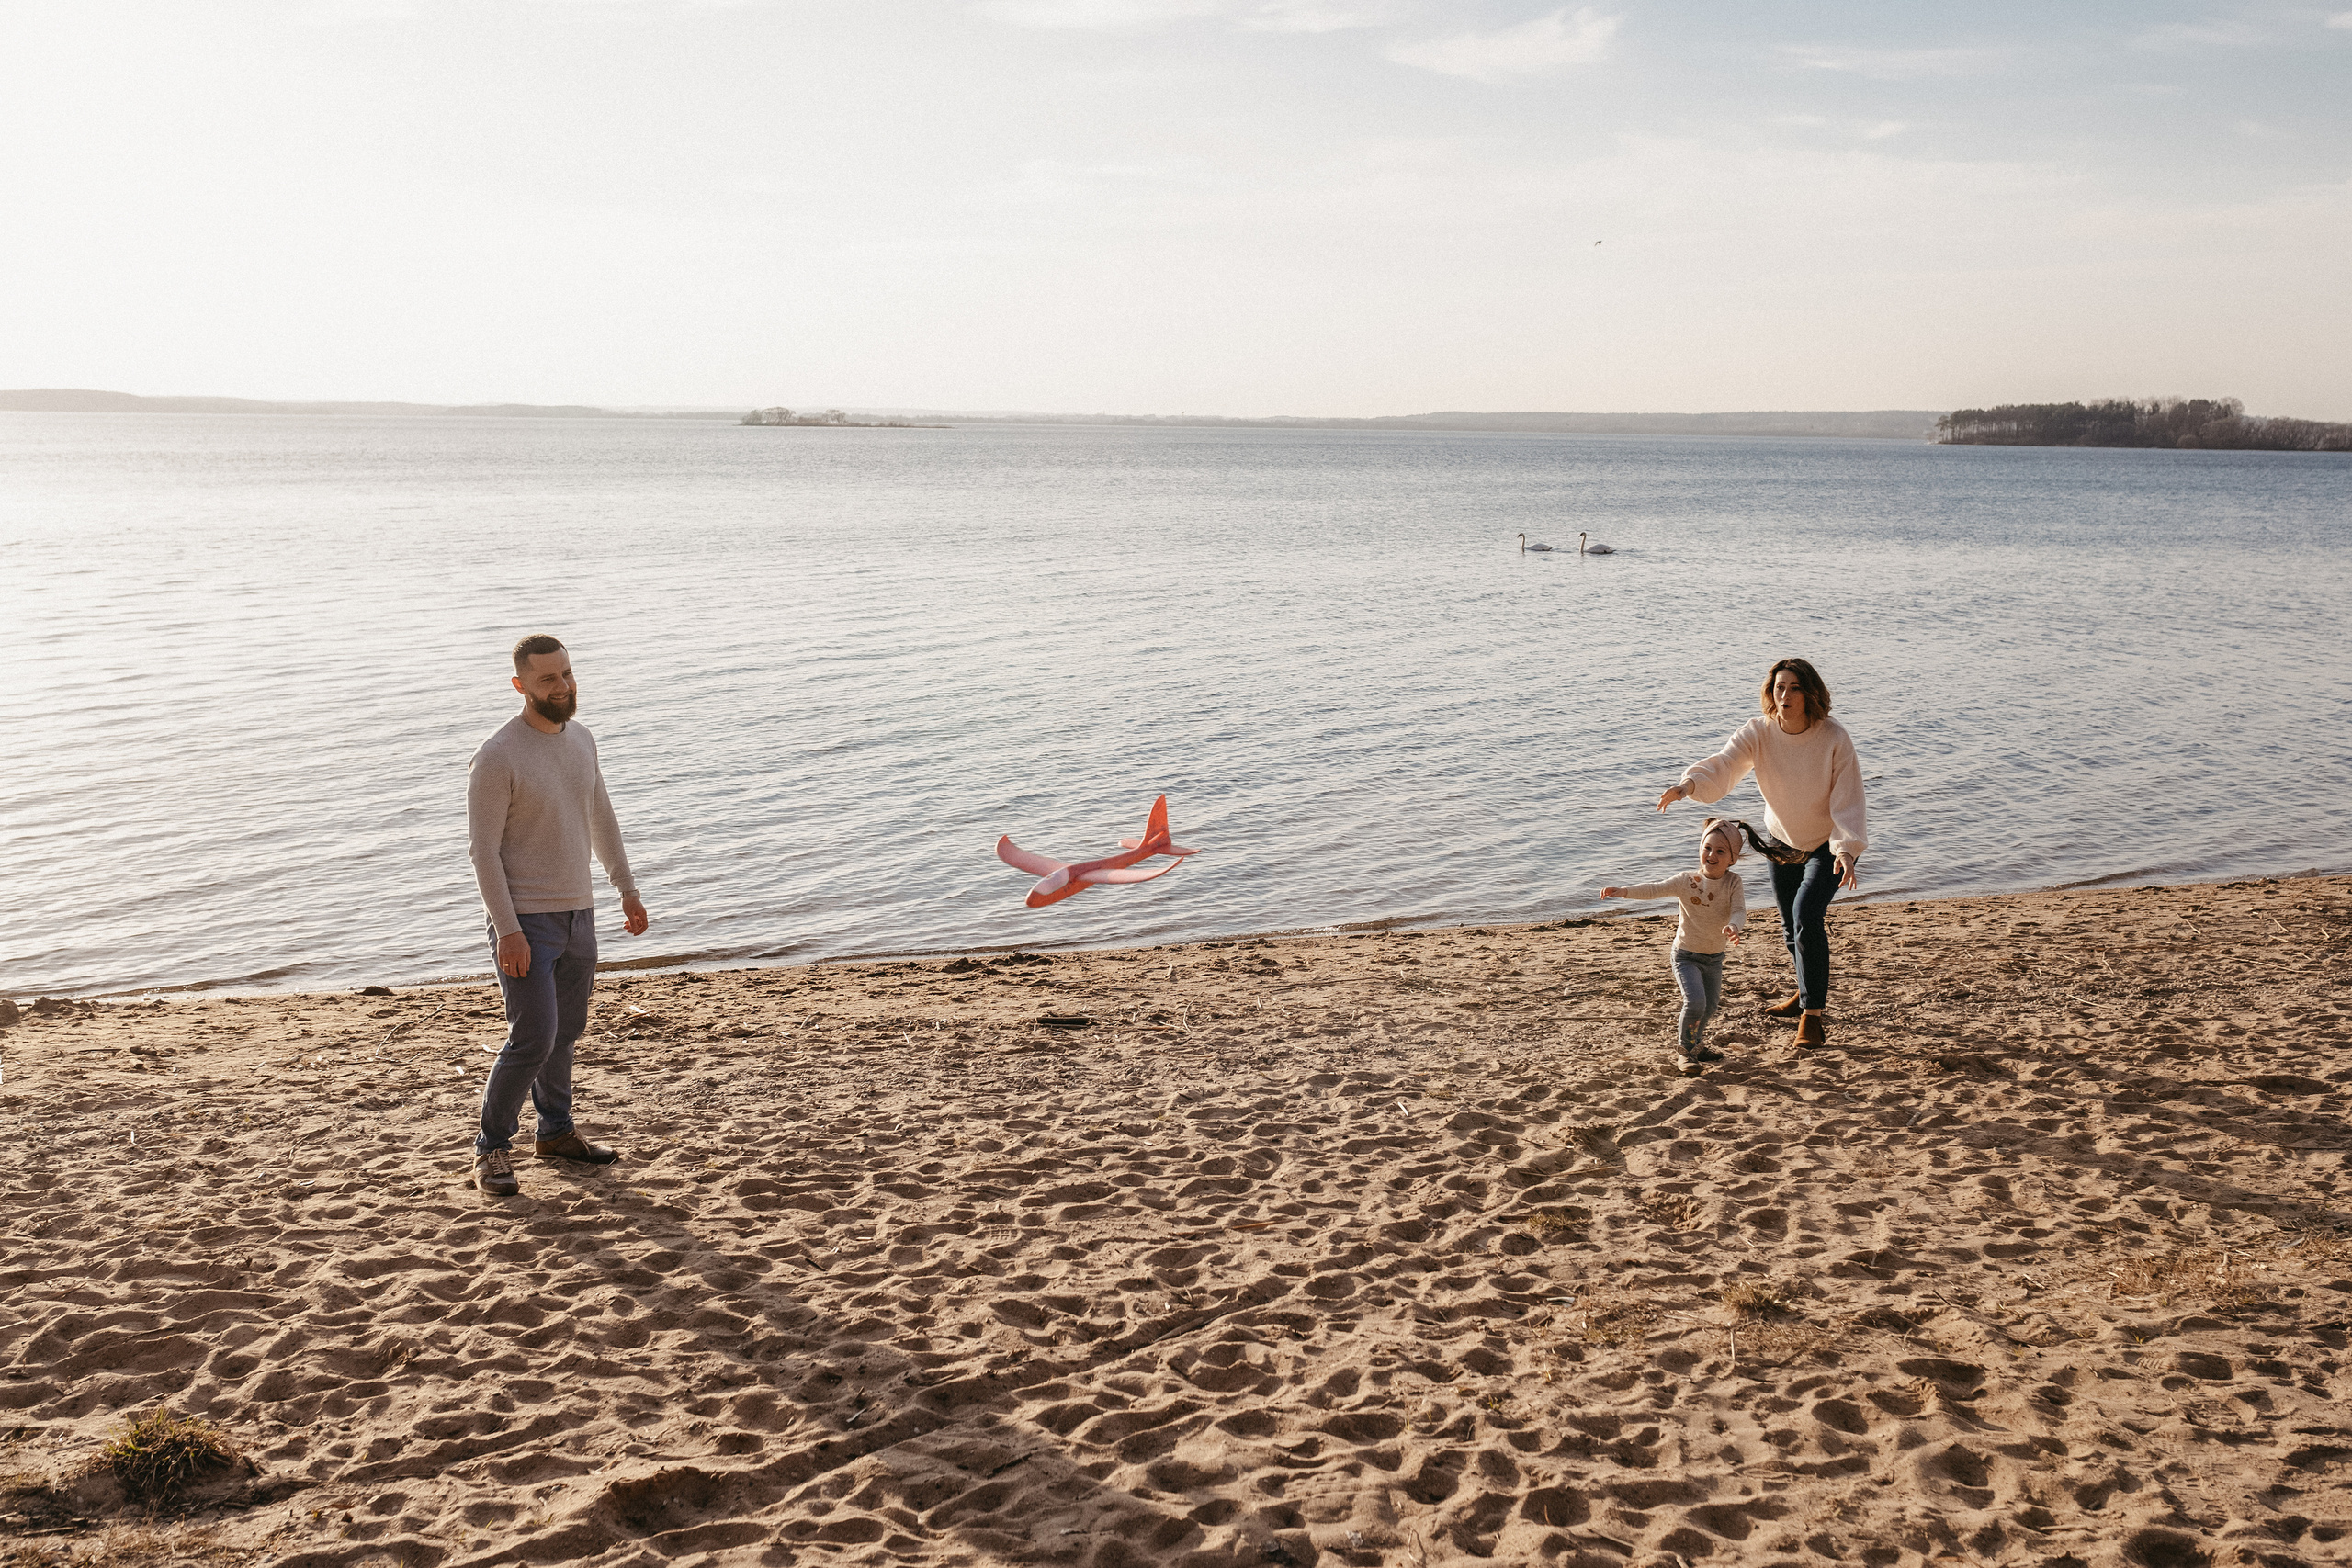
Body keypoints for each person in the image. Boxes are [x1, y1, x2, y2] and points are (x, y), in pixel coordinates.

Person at [465, 634, 650, 1197]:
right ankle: (491, 1150)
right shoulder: (497, 757)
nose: (563, 686)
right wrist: (510, 930)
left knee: (565, 1033)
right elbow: (484, 852)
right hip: (527, 923)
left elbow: (600, 818)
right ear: (520, 686)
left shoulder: (582, 740)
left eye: (566, 673)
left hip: (579, 913)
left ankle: (556, 1133)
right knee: (532, 1039)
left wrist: (626, 889)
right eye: (547, 679)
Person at [1656, 657, 1866, 1050]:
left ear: (1810, 694)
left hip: (1827, 845)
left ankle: (1812, 1017)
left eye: (1793, 688)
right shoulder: (1759, 732)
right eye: (1778, 687)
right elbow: (1725, 764)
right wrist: (1688, 786)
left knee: (1807, 918)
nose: (1784, 695)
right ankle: (1804, 993)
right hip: (1781, 841)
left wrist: (1847, 850)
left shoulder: (1833, 737)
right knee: (1790, 929)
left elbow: (1848, 798)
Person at [1601, 818, 1748, 1072]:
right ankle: (1685, 1051)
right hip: (1686, 955)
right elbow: (1655, 889)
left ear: (1732, 859)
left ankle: (1696, 1045)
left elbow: (1739, 910)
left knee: (1711, 1005)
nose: (1711, 855)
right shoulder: (1686, 880)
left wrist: (1734, 927)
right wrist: (1623, 891)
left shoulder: (1733, 882)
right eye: (1707, 848)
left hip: (1714, 957)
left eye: (1720, 851)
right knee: (1695, 1002)